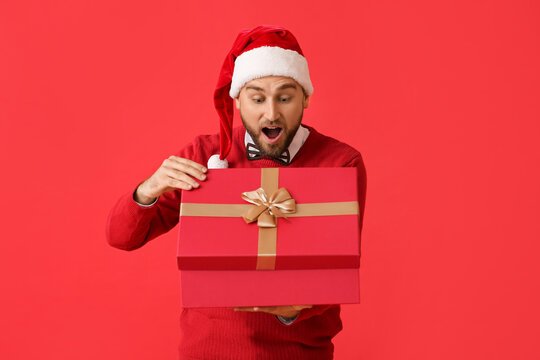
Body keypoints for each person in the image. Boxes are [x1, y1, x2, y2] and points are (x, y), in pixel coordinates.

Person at [106, 25, 367, 360]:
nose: (271, 113)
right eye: (257, 98)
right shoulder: (204, 154)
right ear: (237, 99)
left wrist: (290, 308)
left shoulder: (340, 162)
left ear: (306, 97)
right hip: (207, 351)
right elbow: (120, 237)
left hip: (298, 353)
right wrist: (149, 188)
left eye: (285, 98)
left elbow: (338, 269)